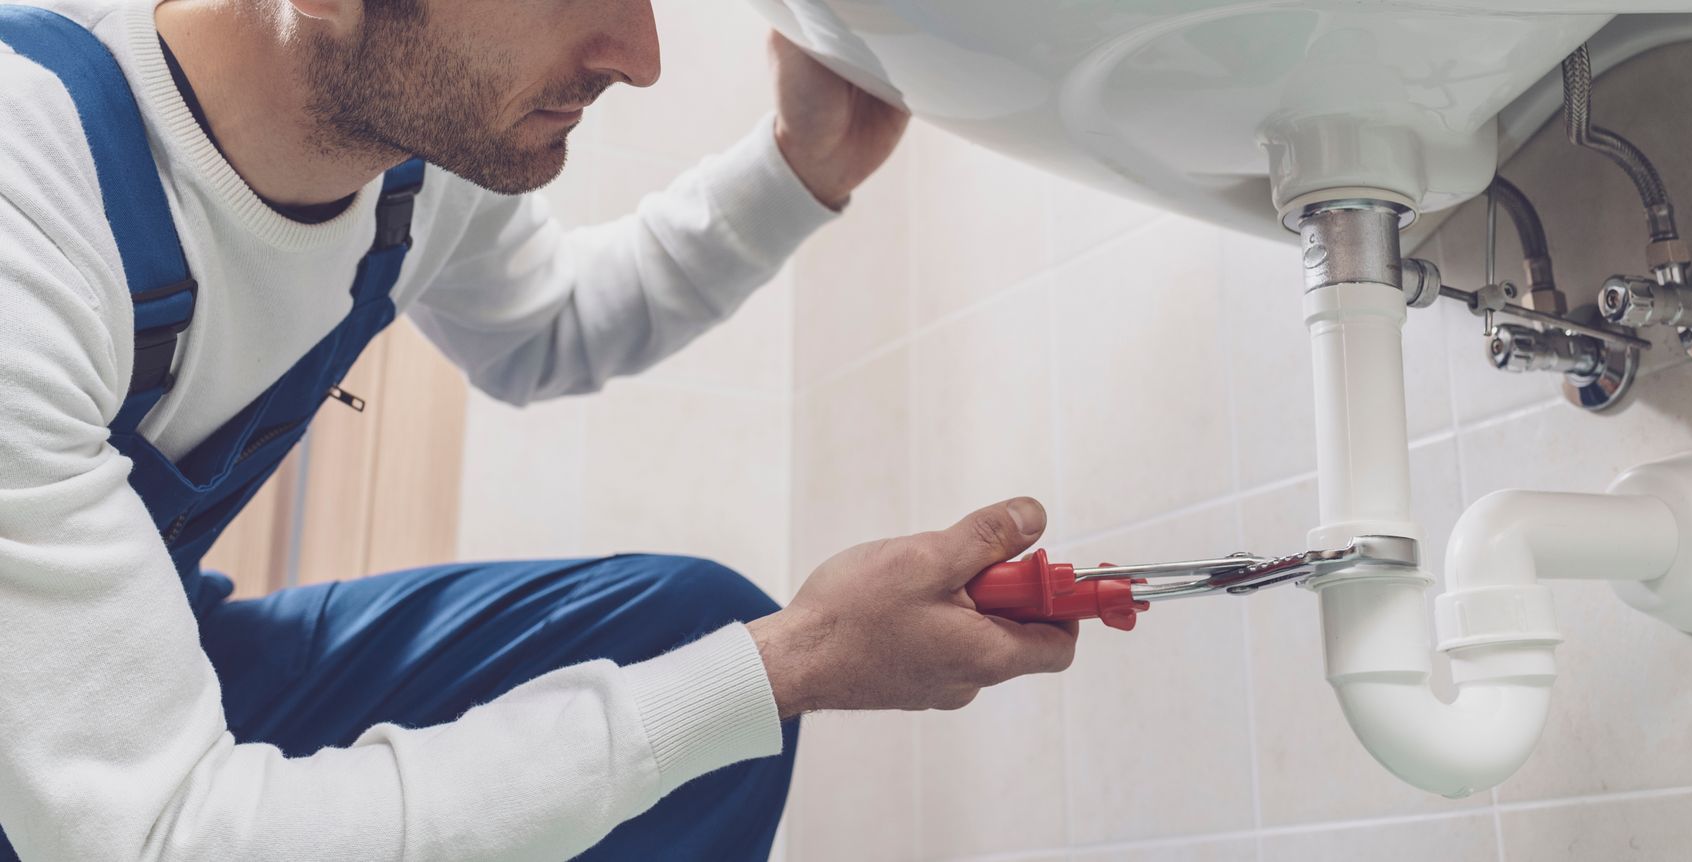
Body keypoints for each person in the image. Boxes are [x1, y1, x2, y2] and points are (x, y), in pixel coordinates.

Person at [0, 0, 1079, 858]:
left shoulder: (422, 163)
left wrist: (803, 166)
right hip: (59, 775)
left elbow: (542, 329)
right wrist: (790, 664)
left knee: (686, 628)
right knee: (733, 673)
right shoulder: (30, 196)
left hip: (158, 681)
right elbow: (155, 835)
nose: (642, 53)